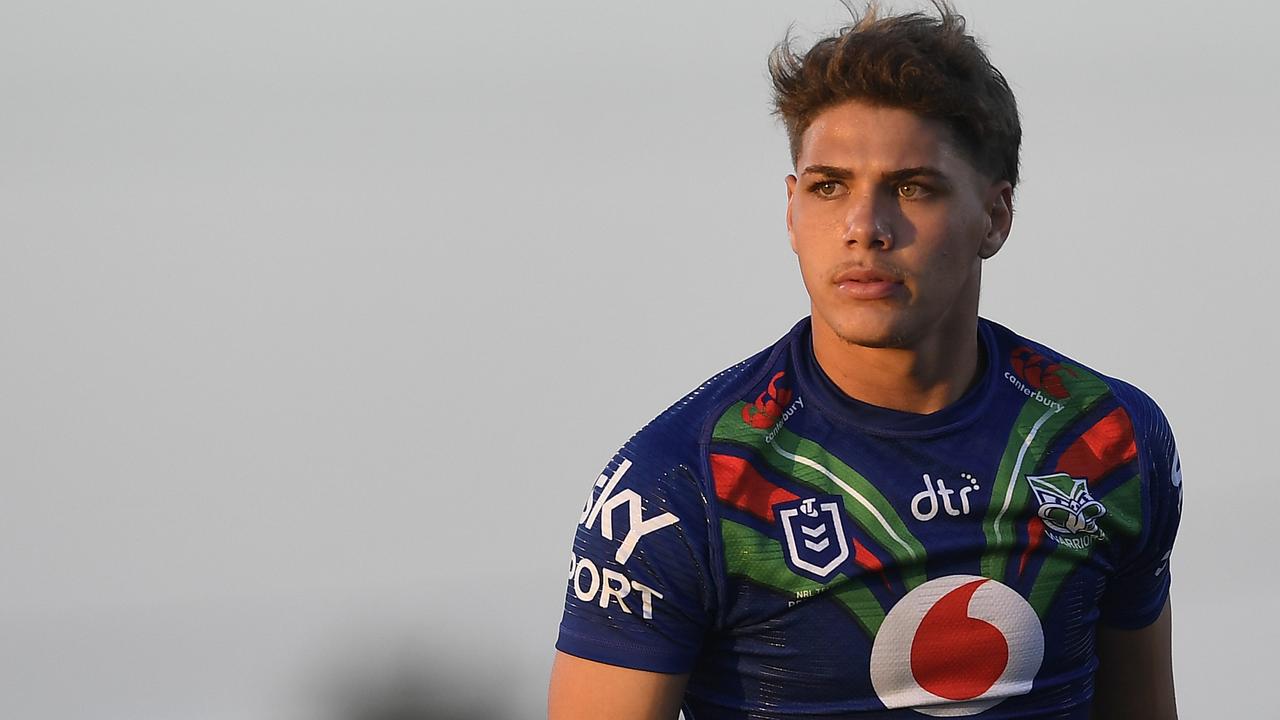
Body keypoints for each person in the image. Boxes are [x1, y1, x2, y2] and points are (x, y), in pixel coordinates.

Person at [547, 3, 1182, 718]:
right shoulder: (681, 482)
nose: (863, 228)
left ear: (996, 216)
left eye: (913, 187)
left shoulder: (1107, 437)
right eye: (828, 187)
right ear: (791, 211)